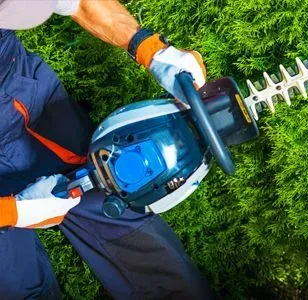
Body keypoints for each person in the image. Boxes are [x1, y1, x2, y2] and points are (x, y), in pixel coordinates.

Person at [0, 0, 213, 299]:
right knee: (13, 286)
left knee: (122, 215)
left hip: (26, 96)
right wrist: (11, 211)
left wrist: (152, 50)